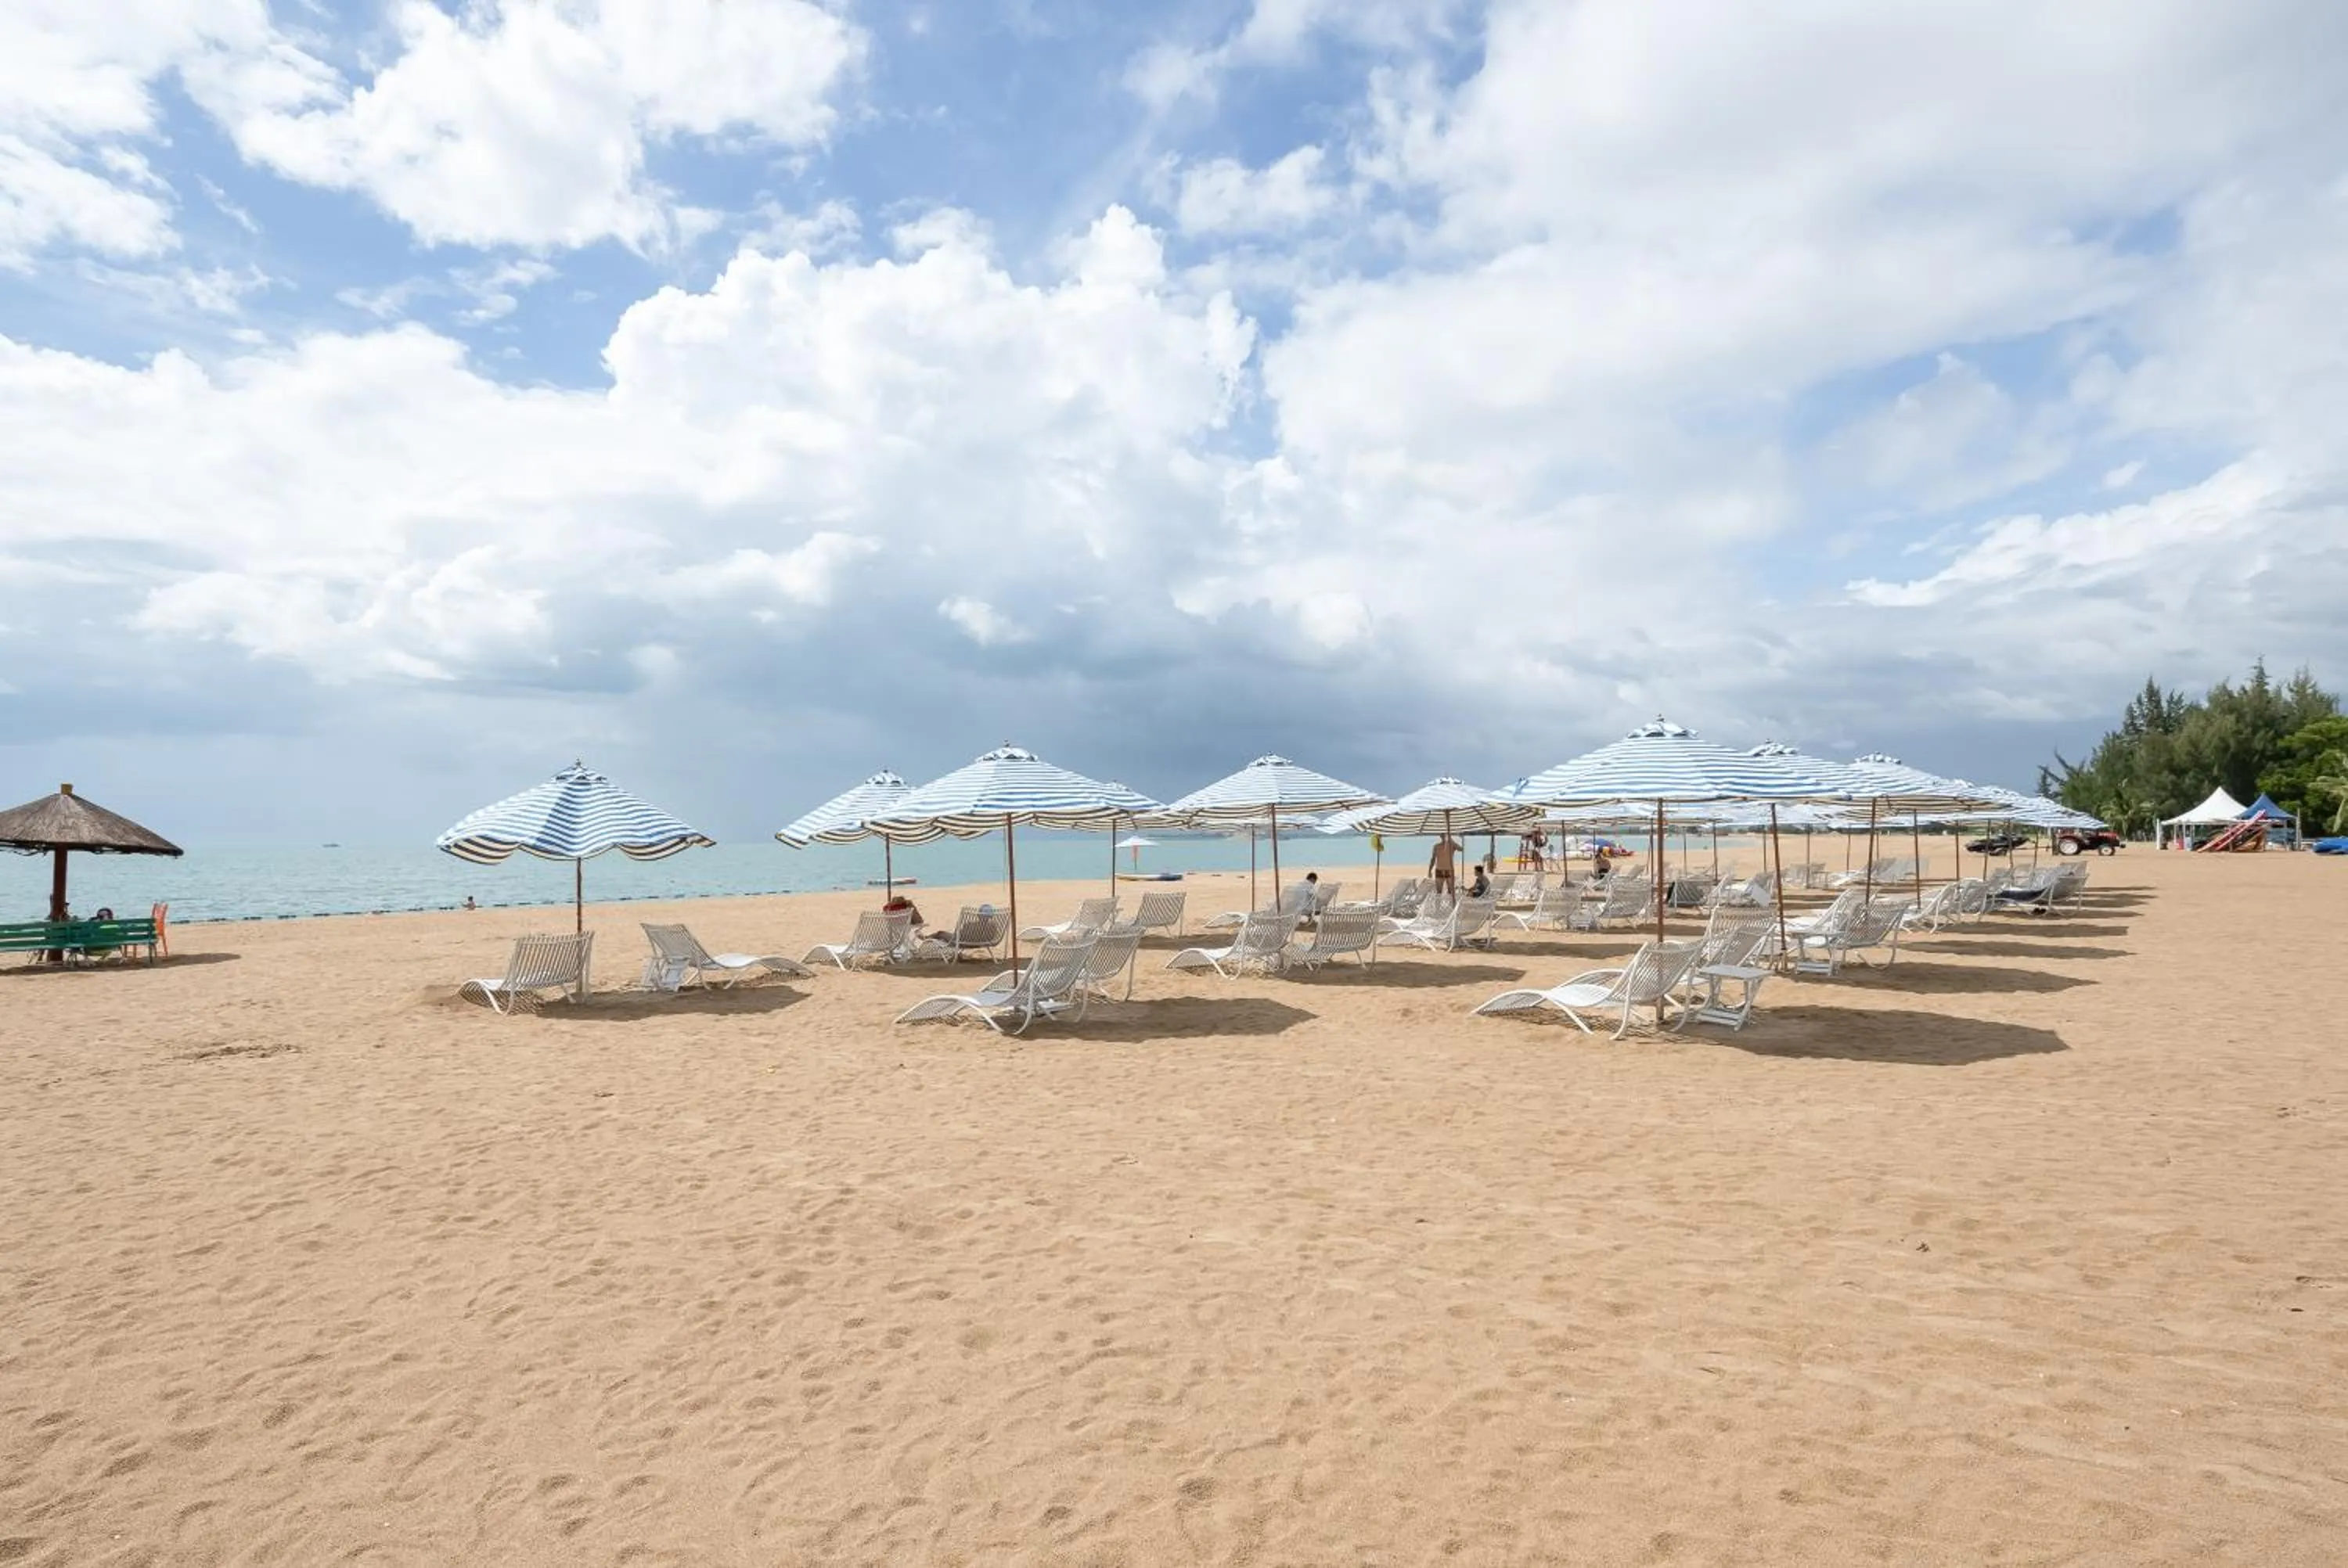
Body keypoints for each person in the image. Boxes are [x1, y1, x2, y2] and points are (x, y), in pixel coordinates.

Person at [1428, 834, 1461, 898]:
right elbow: (1433, 859)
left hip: (1449, 870)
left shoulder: (1452, 845)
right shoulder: (1436, 846)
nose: (1444, 837)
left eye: (1445, 835)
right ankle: (1438, 907)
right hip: (1439, 870)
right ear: (1440, 837)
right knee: (1439, 892)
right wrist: (1430, 870)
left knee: (1451, 891)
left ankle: (1450, 906)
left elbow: (1461, 849)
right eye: (1442, 835)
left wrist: (1452, 840)